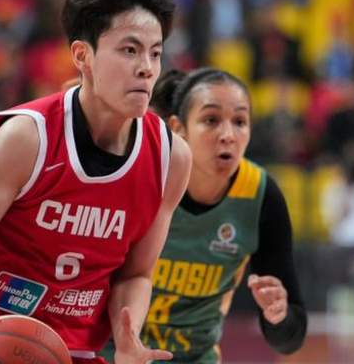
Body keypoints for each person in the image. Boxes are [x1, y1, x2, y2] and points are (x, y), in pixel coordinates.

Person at [0, 0, 192, 364]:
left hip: (74, 353)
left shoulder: (170, 159)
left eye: (156, 53)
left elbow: (136, 274)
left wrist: (127, 337)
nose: (147, 67)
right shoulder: (27, 139)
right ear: (82, 55)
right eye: (129, 50)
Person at [103, 68, 307, 363]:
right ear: (178, 127)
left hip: (195, 356)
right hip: (114, 354)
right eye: (211, 120)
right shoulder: (137, 177)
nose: (228, 136)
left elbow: (290, 340)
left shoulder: (261, 196)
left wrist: (279, 315)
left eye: (240, 122)